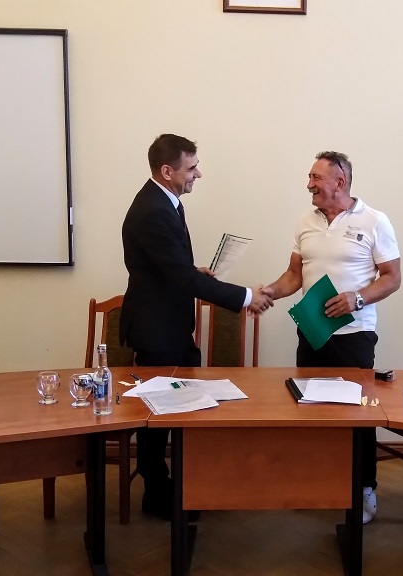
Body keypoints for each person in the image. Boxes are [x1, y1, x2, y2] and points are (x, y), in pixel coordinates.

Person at [120, 133, 272, 520]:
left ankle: (172, 487)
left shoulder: (165, 202)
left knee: (175, 411)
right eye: (191, 168)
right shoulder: (153, 210)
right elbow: (179, 278)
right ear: (166, 171)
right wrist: (246, 296)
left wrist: (191, 271)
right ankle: (157, 495)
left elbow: (171, 269)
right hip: (157, 332)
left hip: (170, 327)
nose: (198, 174)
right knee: (157, 416)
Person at [262, 151, 401, 524]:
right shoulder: (305, 222)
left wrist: (358, 298)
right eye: (309, 177)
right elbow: (294, 275)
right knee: (311, 409)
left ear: (340, 182)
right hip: (312, 331)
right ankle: (319, 482)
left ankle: (365, 488)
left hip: (354, 335)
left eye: (315, 177)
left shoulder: (374, 221)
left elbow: (392, 277)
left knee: (357, 414)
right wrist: (270, 292)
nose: (308, 184)